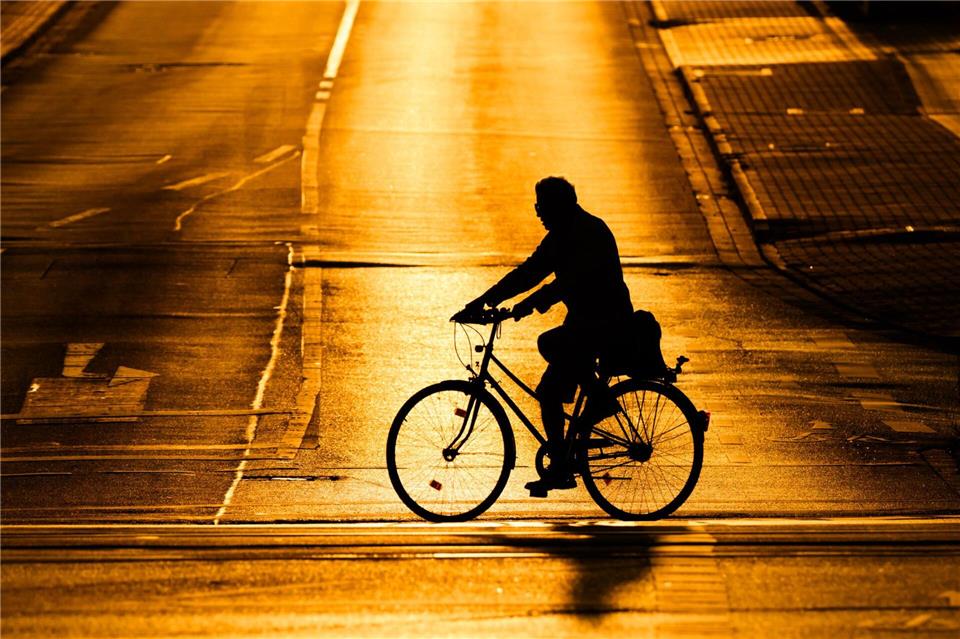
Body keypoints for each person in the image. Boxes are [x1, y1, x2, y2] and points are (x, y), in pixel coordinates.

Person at [453, 177, 634, 497]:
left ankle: (593, 409)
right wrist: (484, 301)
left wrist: (524, 306)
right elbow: (529, 272)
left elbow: (569, 283)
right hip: (585, 321)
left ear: (559, 205)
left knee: (550, 348)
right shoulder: (563, 234)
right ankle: (565, 459)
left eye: (541, 206)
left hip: (605, 321)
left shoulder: (585, 231)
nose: (538, 213)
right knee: (549, 389)